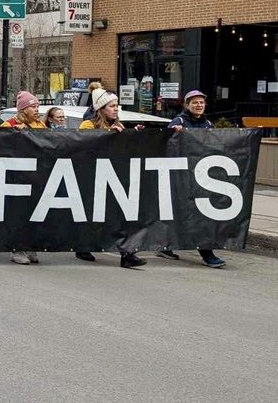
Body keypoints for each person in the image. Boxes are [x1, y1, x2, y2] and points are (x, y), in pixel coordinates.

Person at [78, 89, 147, 269]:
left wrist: (132, 134)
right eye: (112, 106)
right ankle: (83, 245)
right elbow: (84, 144)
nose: (116, 109)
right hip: (93, 177)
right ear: (101, 108)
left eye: (117, 106)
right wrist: (108, 133)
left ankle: (127, 254)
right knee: (93, 217)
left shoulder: (120, 125)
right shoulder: (88, 124)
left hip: (114, 178)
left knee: (121, 216)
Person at [162, 90, 226, 268]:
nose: (199, 105)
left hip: (202, 175)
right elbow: (165, 141)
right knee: (179, 211)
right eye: (195, 102)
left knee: (201, 214)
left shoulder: (208, 124)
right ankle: (166, 245)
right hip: (182, 175)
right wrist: (173, 132)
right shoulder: (179, 122)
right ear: (187, 105)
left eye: (201, 102)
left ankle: (207, 252)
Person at [3, 91, 45, 265]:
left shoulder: (40, 125)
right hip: (16, 176)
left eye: (38, 106)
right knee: (18, 213)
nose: (37, 109)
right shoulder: (10, 124)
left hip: (37, 174)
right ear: (23, 109)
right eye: (33, 106)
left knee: (35, 212)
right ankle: (17, 248)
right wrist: (14, 134)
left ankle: (30, 245)